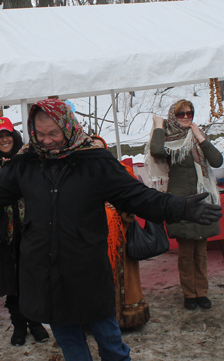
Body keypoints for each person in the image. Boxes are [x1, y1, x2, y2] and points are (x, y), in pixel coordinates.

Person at [0, 99, 222, 361]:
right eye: (40, 133)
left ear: (69, 126)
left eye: (54, 132)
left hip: (86, 268)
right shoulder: (25, 164)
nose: (46, 140)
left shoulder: (94, 160)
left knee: (110, 342)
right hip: (45, 272)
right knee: (70, 344)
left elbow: (137, 196)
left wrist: (179, 207)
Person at [0, 116, 49, 345]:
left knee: (32, 277)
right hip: (3, 230)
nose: (5, 139)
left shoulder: (27, 159)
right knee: (11, 281)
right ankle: (19, 324)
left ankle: (35, 322)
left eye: (8, 134)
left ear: (15, 136)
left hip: (30, 226)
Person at [147, 99, 223, 311]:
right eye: (181, 114)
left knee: (201, 251)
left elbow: (217, 161)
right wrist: (160, 127)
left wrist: (200, 136)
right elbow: (156, 150)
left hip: (203, 200)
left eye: (190, 113)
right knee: (186, 253)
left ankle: (203, 292)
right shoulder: (170, 141)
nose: (186, 117)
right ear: (173, 116)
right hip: (180, 204)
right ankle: (190, 293)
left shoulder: (198, 139)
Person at [91, 135, 150, 330]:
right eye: (92, 148)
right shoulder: (81, 176)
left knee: (124, 278)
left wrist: (125, 212)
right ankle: (98, 320)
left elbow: (134, 196)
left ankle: (126, 318)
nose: (97, 152)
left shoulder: (121, 171)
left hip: (120, 236)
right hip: (92, 237)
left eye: (100, 148)